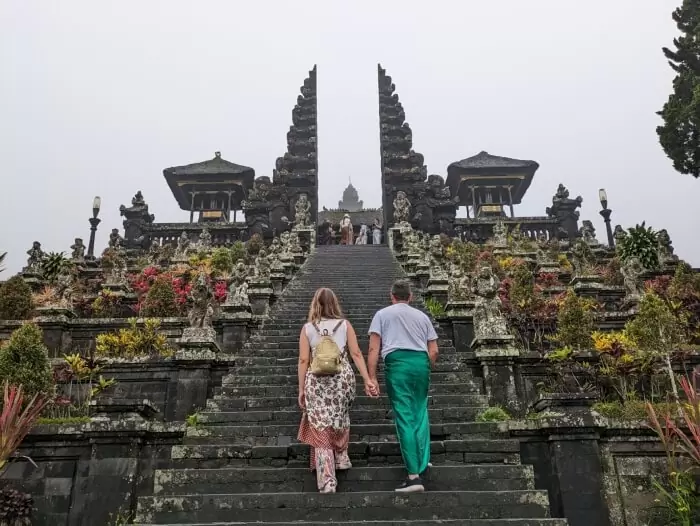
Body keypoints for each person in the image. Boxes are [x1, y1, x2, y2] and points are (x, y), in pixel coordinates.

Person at [298, 288, 379, 493]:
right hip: (341, 380)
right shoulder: (344, 325)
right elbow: (356, 354)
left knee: (320, 426)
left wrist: (301, 389)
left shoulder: (308, 328)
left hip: (316, 381)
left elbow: (303, 360)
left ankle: (327, 481)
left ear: (315, 304)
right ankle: (341, 457)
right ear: (335, 303)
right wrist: (367, 379)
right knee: (339, 417)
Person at [367, 280, 438, 493]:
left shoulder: (382, 314)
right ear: (410, 296)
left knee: (404, 416)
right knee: (420, 411)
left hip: (397, 363)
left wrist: (372, 377)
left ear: (392, 296)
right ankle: (423, 461)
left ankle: (414, 477)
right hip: (421, 363)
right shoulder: (422, 316)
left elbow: (373, 349)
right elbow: (434, 350)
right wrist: (426, 367)